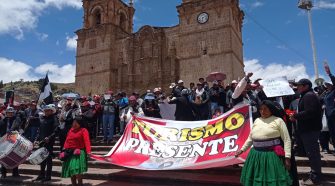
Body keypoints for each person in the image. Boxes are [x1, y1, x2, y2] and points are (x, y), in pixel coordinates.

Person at [235, 100, 292, 186]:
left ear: (271, 109)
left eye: (265, 109)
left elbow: (287, 139)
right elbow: (251, 138)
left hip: (271, 156)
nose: (263, 111)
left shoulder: (278, 120)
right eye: (261, 109)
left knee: (271, 178)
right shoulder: (257, 120)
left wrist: (287, 157)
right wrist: (242, 150)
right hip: (255, 156)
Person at [290, 78, 323, 185]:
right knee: (311, 153)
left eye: (299, 85)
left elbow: (310, 112)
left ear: (306, 86)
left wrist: (295, 116)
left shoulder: (309, 96)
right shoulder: (307, 95)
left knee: (313, 153)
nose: (297, 87)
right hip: (308, 129)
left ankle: (315, 178)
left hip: (310, 130)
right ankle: (314, 173)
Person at [61, 116, 91, 186]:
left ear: (80, 123)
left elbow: (87, 141)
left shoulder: (83, 130)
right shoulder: (70, 130)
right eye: (73, 122)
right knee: (71, 170)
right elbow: (67, 140)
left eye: (76, 123)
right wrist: (64, 149)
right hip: (69, 153)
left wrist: (88, 151)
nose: (74, 124)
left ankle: (80, 184)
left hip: (79, 152)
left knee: (77, 170)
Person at [34, 105, 58, 182]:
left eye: (48, 110)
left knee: (48, 159)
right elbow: (39, 130)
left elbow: (56, 130)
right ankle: (41, 175)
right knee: (42, 159)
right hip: (41, 141)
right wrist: (36, 139)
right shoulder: (42, 118)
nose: (46, 111)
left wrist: (49, 138)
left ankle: (48, 176)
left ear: (51, 111)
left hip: (49, 142)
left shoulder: (54, 119)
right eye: (45, 110)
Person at [0, 107, 21, 179]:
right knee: (4, 156)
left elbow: (16, 125)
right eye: (9, 112)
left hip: (14, 139)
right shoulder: (3, 120)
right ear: (6, 113)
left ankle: (15, 172)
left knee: (15, 156)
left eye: (11, 112)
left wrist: (11, 130)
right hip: (5, 140)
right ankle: (3, 173)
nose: (10, 114)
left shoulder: (16, 119)